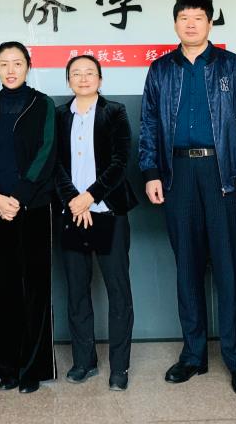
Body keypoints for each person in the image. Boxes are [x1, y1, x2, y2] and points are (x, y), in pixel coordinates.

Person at [138, 0, 236, 396]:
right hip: (178, 174)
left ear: (210, 23)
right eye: (184, 17)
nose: (191, 24)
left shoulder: (232, 66)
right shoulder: (161, 70)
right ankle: (193, 355)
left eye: (198, 17)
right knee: (187, 268)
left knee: (229, 269)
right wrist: (151, 171)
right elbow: (148, 124)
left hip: (223, 174)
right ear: (175, 24)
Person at [0, 41, 57, 394]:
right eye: (4, 64)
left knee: (34, 289)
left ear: (28, 66)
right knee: (4, 289)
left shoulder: (43, 104)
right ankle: (7, 366)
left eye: (18, 63)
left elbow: (47, 152)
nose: (11, 70)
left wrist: (20, 196)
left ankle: (32, 367)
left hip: (34, 208)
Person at [54, 54, 137, 391]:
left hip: (108, 212)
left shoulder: (114, 112)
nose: (84, 78)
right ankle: (83, 361)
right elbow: (54, 164)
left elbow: (120, 161)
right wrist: (74, 201)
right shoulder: (59, 115)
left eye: (90, 73)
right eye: (76, 73)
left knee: (118, 292)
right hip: (72, 213)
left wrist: (90, 197)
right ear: (68, 80)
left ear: (100, 79)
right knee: (77, 291)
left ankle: (119, 367)